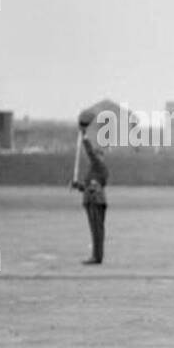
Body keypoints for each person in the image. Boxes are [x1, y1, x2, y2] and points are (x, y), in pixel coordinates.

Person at [71, 109, 108, 264]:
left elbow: (91, 154)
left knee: (97, 230)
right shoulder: (95, 170)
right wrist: (78, 185)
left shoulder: (99, 165)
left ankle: (97, 257)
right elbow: (89, 185)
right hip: (92, 198)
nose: (96, 155)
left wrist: (84, 135)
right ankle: (96, 255)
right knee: (96, 230)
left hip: (95, 199)